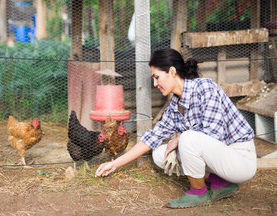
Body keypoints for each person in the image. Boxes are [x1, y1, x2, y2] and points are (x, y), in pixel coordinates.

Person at [95, 48, 257, 208]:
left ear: (172, 72)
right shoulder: (174, 105)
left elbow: (214, 134)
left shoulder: (205, 88)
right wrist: (115, 163)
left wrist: (179, 139)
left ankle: (198, 192)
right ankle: (220, 183)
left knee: (187, 138)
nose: (155, 83)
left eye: (157, 77)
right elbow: (152, 138)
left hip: (240, 160)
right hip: (219, 161)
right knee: (160, 155)